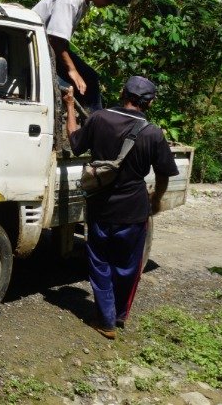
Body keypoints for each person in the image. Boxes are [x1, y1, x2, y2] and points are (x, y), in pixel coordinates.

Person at [65, 75, 178, 339]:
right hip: (134, 210)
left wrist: (70, 105)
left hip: (100, 207)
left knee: (99, 262)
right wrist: (157, 199)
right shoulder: (153, 133)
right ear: (149, 103)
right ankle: (117, 315)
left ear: (122, 94)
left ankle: (106, 319)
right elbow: (164, 174)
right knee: (127, 266)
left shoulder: (99, 118)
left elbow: (75, 142)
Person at [35, 0, 131, 112]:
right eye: (107, 0)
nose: (107, 4)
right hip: (37, 49)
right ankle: (92, 122)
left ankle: (93, 119)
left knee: (90, 78)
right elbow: (56, 40)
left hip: (49, 47)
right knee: (76, 84)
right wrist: (72, 71)